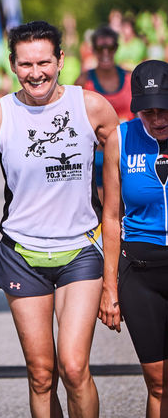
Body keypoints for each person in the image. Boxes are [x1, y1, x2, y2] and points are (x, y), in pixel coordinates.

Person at [0, 21, 119, 417]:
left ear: (61, 59)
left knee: (74, 368)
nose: (35, 72)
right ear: (12, 65)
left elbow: (122, 178)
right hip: (22, 253)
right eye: (25, 64)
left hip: (80, 250)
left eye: (44, 62)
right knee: (41, 373)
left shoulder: (90, 108)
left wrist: (117, 267)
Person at [99, 59, 168, 418]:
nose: (157, 119)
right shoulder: (121, 139)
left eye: (165, 109)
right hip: (139, 273)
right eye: (148, 110)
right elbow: (110, 218)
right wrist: (109, 288)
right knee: (158, 384)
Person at [76, 25, 133, 200]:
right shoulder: (85, 81)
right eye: (101, 48)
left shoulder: (130, 78)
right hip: (97, 155)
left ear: (116, 48)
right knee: (101, 206)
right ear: (93, 50)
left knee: (128, 201)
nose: (106, 52)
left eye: (111, 47)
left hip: (128, 151)